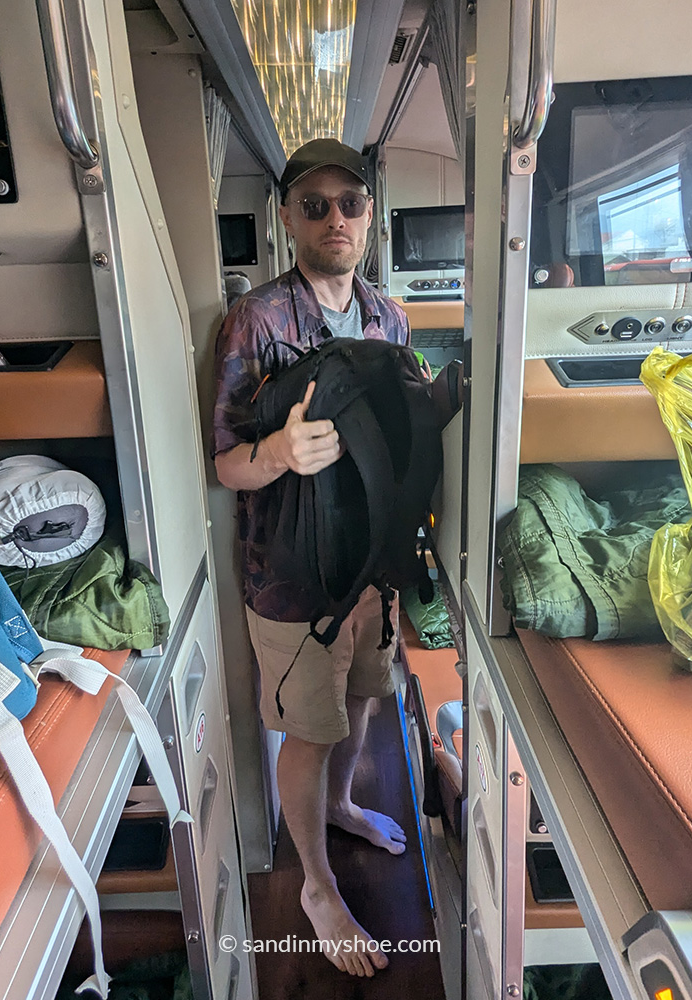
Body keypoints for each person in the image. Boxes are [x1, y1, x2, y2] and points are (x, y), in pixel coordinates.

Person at [211, 138, 411, 978]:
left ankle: (342, 805)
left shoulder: (387, 314)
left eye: (351, 203)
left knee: (366, 697)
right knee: (307, 726)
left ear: (370, 216)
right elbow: (223, 461)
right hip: (290, 572)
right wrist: (281, 456)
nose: (337, 218)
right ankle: (318, 888)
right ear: (287, 217)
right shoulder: (258, 319)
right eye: (316, 204)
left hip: (371, 559)